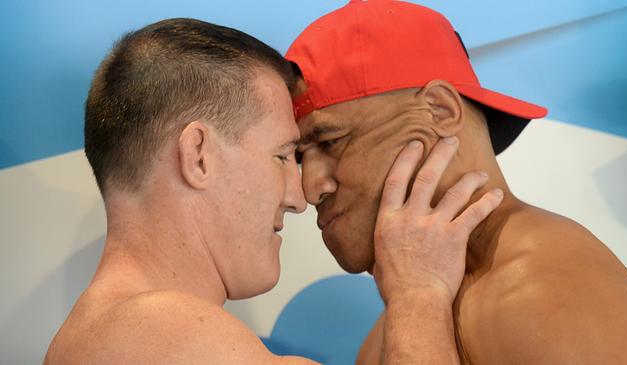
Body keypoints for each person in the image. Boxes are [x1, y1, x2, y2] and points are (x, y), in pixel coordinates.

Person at [44, 17, 502, 364]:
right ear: (198, 155)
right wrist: (418, 295)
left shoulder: (102, 333)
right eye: (284, 156)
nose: (298, 196)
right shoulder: (164, 335)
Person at [286, 1, 627, 364]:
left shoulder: (547, 290)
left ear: (440, 111)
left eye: (329, 142)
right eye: (300, 156)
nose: (310, 187)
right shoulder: (407, 311)